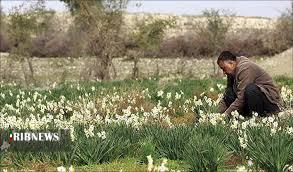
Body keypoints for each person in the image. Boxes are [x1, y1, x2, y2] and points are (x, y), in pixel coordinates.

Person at [217, 51, 282, 117]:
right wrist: (218, 114)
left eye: (224, 68)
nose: (224, 72)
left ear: (231, 63)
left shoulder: (245, 68)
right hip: (253, 101)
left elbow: (241, 98)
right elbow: (226, 95)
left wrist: (225, 115)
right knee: (229, 92)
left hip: (270, 101)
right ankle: (247, 116)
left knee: (250, 89)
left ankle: (259, 117)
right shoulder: (231, 72)